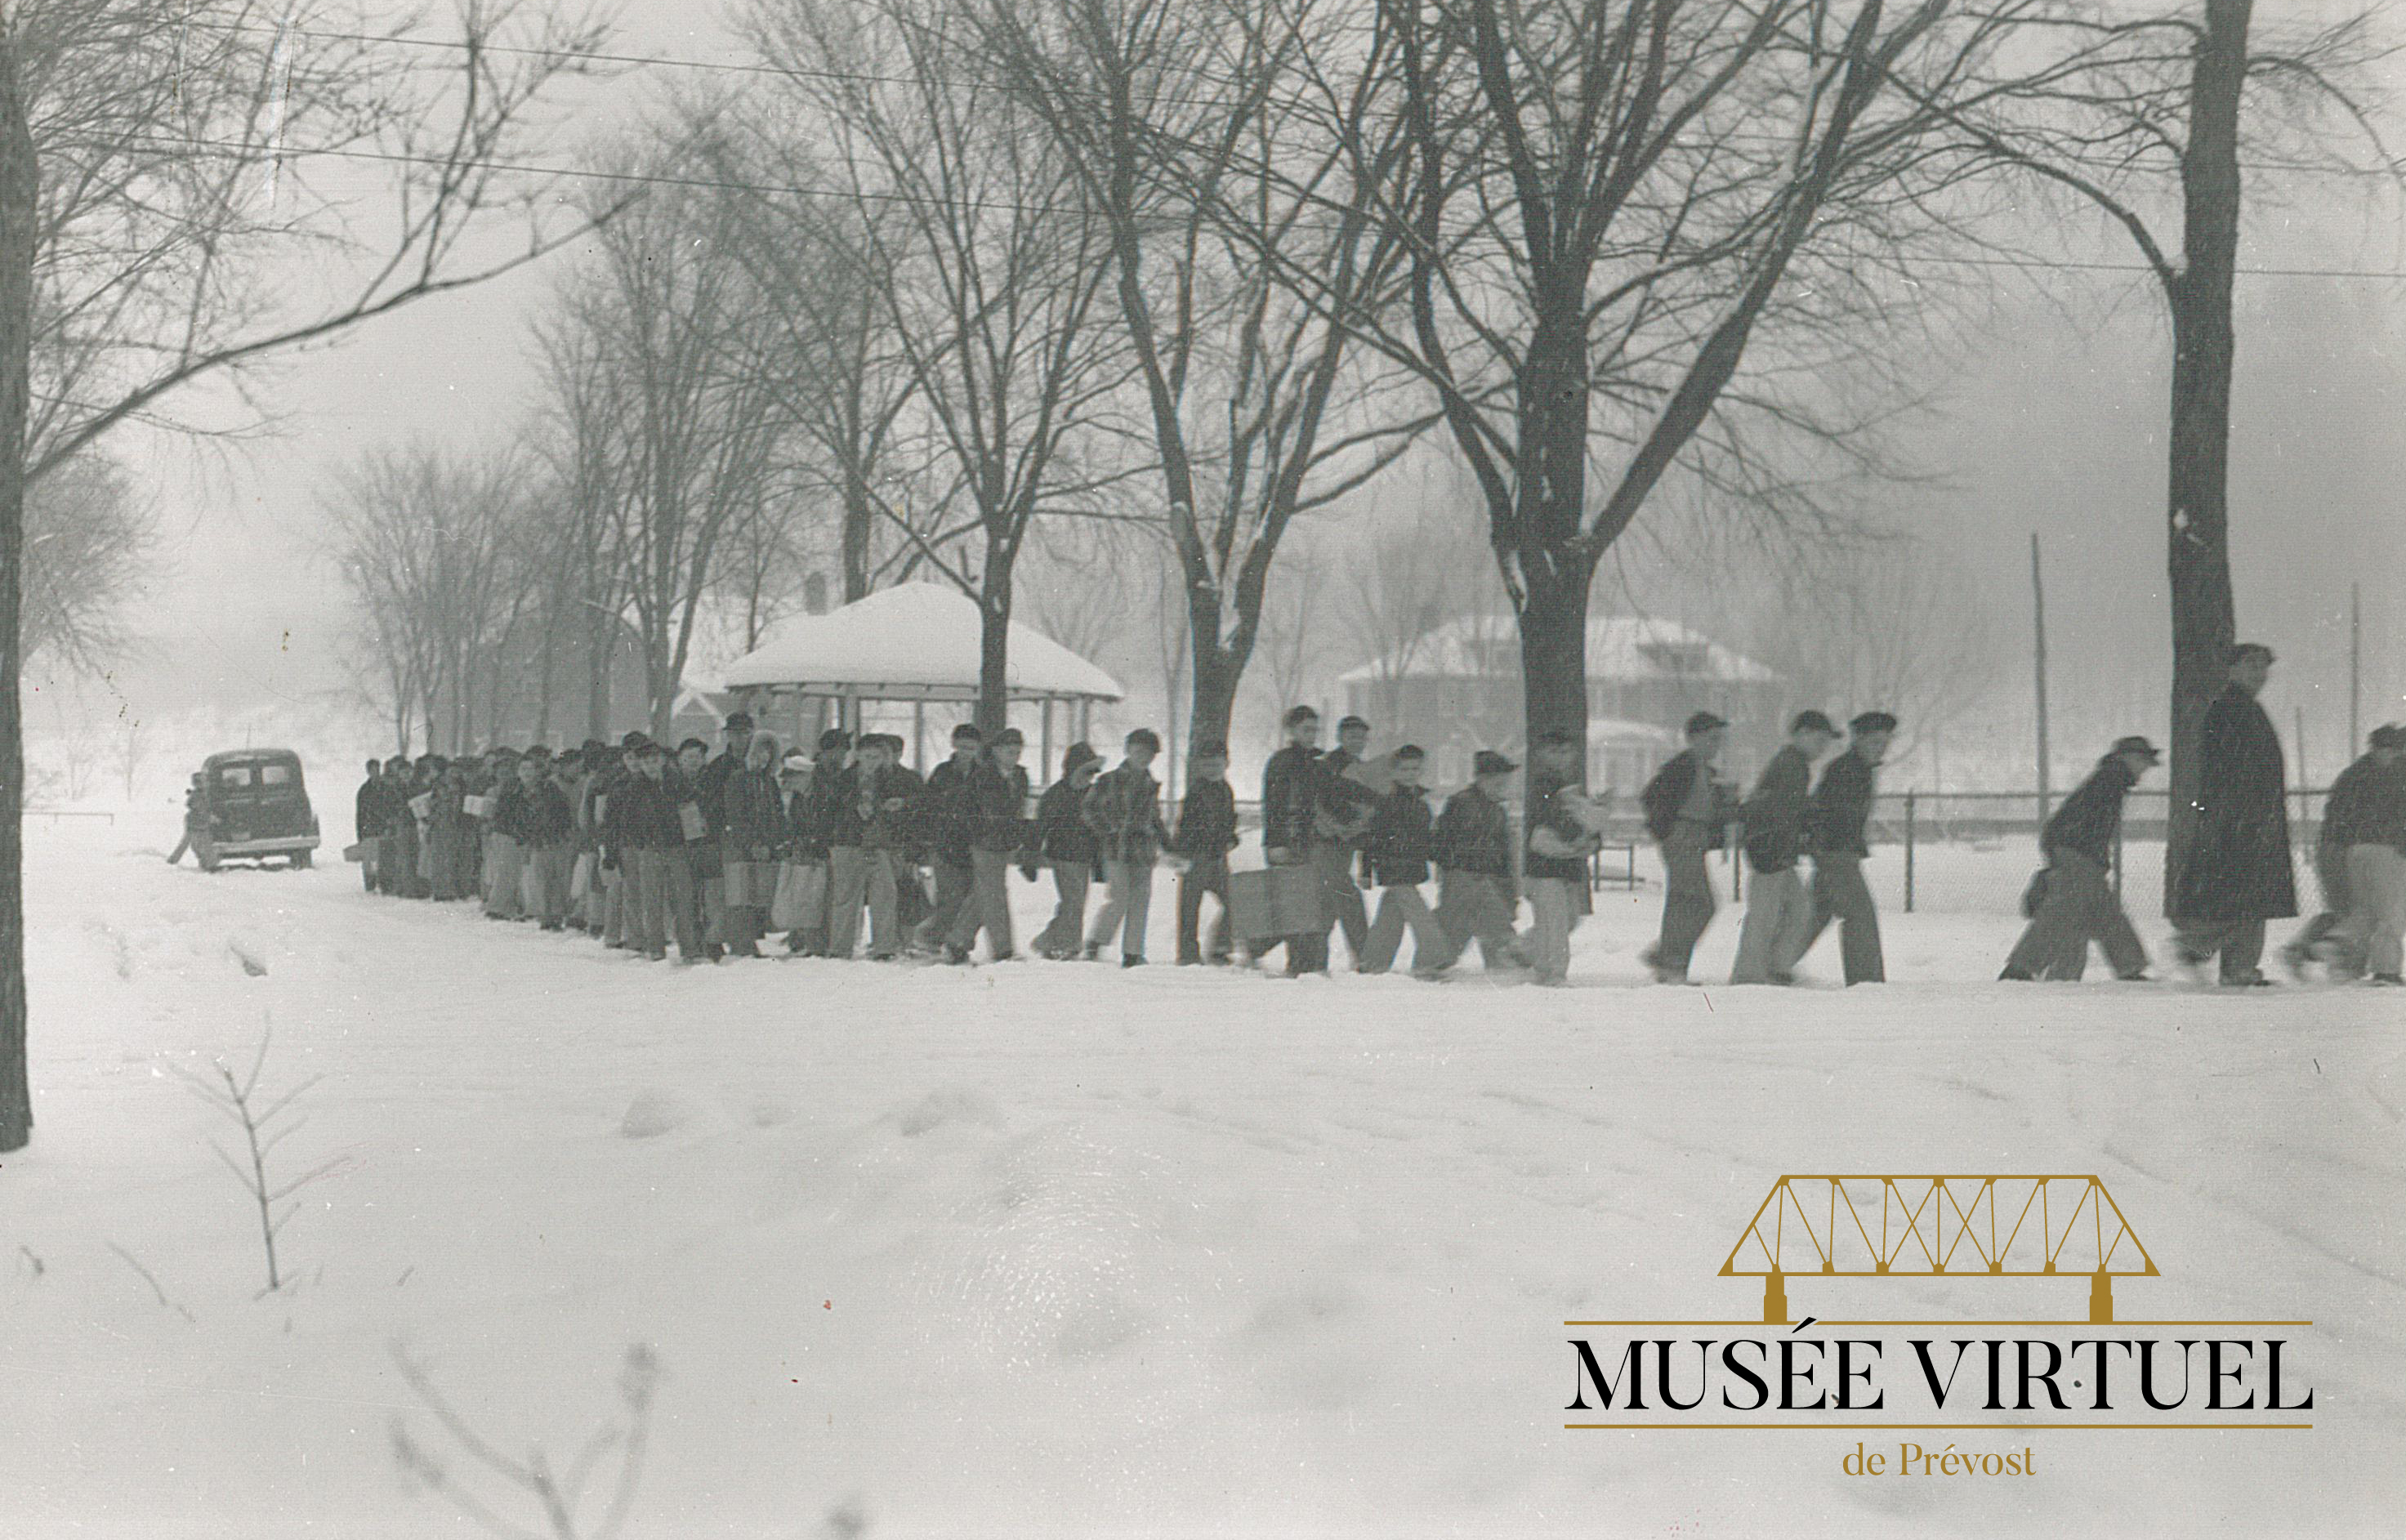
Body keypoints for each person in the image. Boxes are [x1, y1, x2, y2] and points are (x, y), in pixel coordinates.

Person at [2171, 644, 2297, 985]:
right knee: (2248, 895)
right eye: (2251, 665)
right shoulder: (2229, 709)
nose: (2260, 674)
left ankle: (2239, 968)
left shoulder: (2245, 708)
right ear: (2232, 669)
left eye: (2263, 667)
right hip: (2242, 820)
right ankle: (2200, 947)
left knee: (2253, 896)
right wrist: (2240, 816)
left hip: (2252, 818)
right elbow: (2228, 770)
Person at [1999, 736, 2159, 982]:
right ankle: (2021, 969)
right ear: (2128, 757)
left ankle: (2129, 968)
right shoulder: (2111, 778)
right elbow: (2083, 823)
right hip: (2076, 852)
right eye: (2144, 761)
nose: (2146, 768)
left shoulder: (2113, 778)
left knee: (2103, 910)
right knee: (2066, 911)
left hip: (2078, 852)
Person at [1730, 712, 1838, 984]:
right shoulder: (1792, 765)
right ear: (1800, 734)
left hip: (1776, 849)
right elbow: (1784, 811)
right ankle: (1750, 976)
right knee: (1767, 915)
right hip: (1771, 849)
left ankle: (1775, 967)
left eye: (1827, 742)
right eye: (1819, 739)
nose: (1823, 747)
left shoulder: (1794, 763)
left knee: (1799, 910)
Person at [1788, 711, 1895, 985]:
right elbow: (1827, 814)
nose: (1880, 748)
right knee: (1860, 915)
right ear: (1857, 739)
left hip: (1836, 853)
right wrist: (1832, 851)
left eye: (1885, 743)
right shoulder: (1846, 770)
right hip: (1837, 855)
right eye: (1874, 742)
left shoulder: (1857, 769)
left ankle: (1774, 964)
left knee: (1814, 915)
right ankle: (1866, 982)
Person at [1639, 712, 1738, 984]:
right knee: (1694, 903)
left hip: (1695, 839)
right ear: (1693, 738)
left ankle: (1670, 961)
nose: (1716, 745)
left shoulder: (1706, 772)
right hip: (1683, 837)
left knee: (1690, 903)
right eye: (1711, 738)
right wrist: (1668, 832)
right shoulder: (1682, 766)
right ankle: (1670, 962)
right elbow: (1650, 796)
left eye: (1719, 739)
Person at [1356, 745, 1450, 975]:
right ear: (1394, 772)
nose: (1410, 773)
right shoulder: (1386, 803)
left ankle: (1373, 963)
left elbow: (1426, 840)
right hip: (1394, 868)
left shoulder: (1421, 805)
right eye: (1405, 769)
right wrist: (1366, 870)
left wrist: (1438, 855)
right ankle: (1432, 959)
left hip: (1411, 868)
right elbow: (1371, 839)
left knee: (1391, 916)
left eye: (1415, 769)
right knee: (1421, 916)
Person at [1431, 750, 1527, 971]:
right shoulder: (1463, 803)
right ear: (1481, 780)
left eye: (1504, 783)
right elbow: (1443, 839)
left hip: (1484, 877)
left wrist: (1507, 886)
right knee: (1459, 922)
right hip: (1463, 874)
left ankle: (1499, 965)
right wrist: (1455, 864)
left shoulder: (1496, 810)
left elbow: (1502, 852)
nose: (1502, 788)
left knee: (1487, 920)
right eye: (1497, 782)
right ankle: (1434, 963)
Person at [2325, 724, 2406, 985]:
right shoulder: (2397, 773)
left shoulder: (2355, 772)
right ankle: (2386, 970)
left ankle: (2336, 942)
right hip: (2387, 849)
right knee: (2391, 912)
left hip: (2355, 850)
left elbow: (2336, 811)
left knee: (2365, 910)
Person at [944, 728, 1032, 964]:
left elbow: (1023, 809)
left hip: (1004, 844)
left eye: (1017, 751)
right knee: (995, 894)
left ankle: (957, 940)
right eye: (1009, 751)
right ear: (996, 751)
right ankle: (1003, 949)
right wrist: (978, 831)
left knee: (984, 893)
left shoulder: (1020, 777)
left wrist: (1021, 836)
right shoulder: (982, 776)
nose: (1014, 756)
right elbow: (965, 808)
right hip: (984, 843)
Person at [1523, 728, 1602, 985]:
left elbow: (1579, 818)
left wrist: (1590, 833)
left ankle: (1525, 951)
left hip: (1562, 864)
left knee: (1564, 919)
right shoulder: (1543, 784)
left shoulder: (1569, 786)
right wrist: (1582, 835)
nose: (1560, 757)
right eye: (1553, 752)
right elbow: (1552, 817)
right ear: (1540, 755)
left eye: (1565, 752)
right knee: (1557, 921)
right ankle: (1554, 972)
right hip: (1545, 865)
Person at [1083, 728, 1167, 966]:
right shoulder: (1109, 780)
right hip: (1117, 849)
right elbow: (1089, 809)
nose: (1144, 757)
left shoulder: (1151, 784)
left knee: (1141, 899)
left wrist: (1167, 844)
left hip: (1144, 851)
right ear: (1127, 750)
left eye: (1150, 753)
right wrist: (1108, 829)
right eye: (1139, 751)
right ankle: (1097, 940)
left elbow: (1155, 818)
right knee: (1119, 897)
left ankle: (1133, 952)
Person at [1261, 707, 1333, 975]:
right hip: (1289, 841)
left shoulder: (1318, 763)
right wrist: (1275, 843)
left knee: (1315, 903)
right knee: (1294, 905)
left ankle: (1316, 964)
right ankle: (1299, 964)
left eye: (1315, 729)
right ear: (1292, 731)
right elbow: (1274, 806)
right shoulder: (1282, 762)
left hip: (1313, 842)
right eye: (1306, 729)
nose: (1312, 735)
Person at [623, 739, 705, 963]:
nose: (651, 766)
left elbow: (691, 813)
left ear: (663, 761)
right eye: (646, 762)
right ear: (640, 764)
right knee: (652, 900)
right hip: (650, 850)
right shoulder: (635, 787)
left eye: (655, 761)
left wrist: (693, 841)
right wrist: (639, 841)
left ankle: (689, 947)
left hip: (677, 848)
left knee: (683, 900)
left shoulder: (677, 783)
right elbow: (628, 820)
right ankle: (655, 948)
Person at [916, 724, 985, 953]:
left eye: (972, 748)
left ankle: (950, 937)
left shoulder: (983, 774)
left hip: (973, 844)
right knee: (950, 897)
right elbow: (928, 806)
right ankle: (935, 937)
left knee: (972, 897)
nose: (967, 752)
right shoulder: (943, 772)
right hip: (945, 844)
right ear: (954, 745)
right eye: (963, 747)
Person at [718, 733, 788, 957]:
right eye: (758, 753)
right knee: (740, 896)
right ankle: (741, 943)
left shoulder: (769, 782)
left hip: (762, 849)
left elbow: (777, 816)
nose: (762, 759)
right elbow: (736, 815)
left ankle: (749, 939)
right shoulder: (738, 779)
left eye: (767, 754)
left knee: (756, 895)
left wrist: (772, 843)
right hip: (741, 847)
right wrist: (753, 843)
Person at [1030, 744, 1102, 959]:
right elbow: (1041, 824)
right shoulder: (1056, 794)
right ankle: (1069, 944)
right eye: (1086, 772)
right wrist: (1032, 853)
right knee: (1073, 901)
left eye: (1093, 772)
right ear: (1073, 769)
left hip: (1084, 856)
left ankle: (1049, 940)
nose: (1090, 777)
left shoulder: (1093, 794)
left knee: (1076, 901)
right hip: (1063, 854)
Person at [1171, 740, 1239, 966]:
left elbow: (1229, 821)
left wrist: (1231, 838)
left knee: (1233, 899)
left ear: (1226, 763)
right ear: (1200, 767)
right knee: (1190, 906)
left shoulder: (1226, 790)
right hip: (1196, 855)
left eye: (1217, 764)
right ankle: (1188, 952)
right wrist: (1184, 853)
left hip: (1218, 856)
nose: (1213, 769)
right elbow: (1186, 824)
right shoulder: (1196, 791)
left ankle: (1220, 945)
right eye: (1208, 765)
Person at [1319, 715, 1377, 960]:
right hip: (1324, 841)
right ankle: (1364, 952)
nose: (1358, 742)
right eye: (1352, 736)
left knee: (1330, 898)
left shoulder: (1363, 771)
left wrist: (1366, 864)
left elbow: (1370, 812)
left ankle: (1310, 950)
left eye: (1362, 738)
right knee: (1344, 892)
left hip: (1347, 844)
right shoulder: (1327, 767)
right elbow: (1319, 803)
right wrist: (1339, 824)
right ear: (1340, 737)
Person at [517, 749, 578, 931]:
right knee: (541, 880)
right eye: (523, 769)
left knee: (555, 879)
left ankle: (555, 915)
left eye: (530, 769)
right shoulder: (523, 791)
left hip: (554, 840)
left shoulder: (549, 789)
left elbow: (559, 814)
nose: (527, 773)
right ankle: (546, 915)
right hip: (538, 841)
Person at [355, 760, 386, 891]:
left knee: (384, 858)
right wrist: (360, 833)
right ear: (368, 772)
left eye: (377, 769)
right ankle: (370, 884)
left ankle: (384, 883)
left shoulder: (386, 787)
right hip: (369, 828)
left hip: (383, 827)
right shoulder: (364, 790)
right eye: (372, 770)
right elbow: (360, 813)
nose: (375, 772)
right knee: (370, 859)